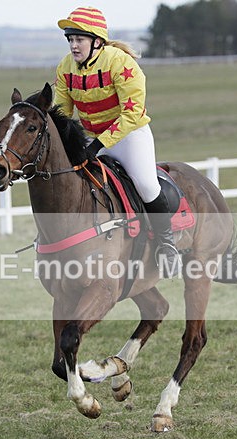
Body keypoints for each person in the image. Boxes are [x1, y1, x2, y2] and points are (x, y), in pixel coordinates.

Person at [54, 6, 181, 278]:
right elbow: (63, 113)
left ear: (97, 41)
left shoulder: (121, 63)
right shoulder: (65, 67)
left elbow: (132, 112)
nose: (73, 45)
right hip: (91, 137)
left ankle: (167, 243)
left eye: (79, 39)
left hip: (129, 134)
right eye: (70, 40)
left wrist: (99, 144)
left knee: (147, 186)